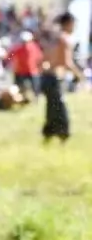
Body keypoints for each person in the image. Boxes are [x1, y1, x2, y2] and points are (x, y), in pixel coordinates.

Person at [40, 12, 78, 143]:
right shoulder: (65, 39)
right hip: (55, 76)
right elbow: (67, 62)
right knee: (60, 109)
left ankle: (48, 134)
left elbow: (44, 57)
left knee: (51, 108)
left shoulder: (54, 38)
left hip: (46, 76)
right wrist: (79, 75)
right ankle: (63, 136)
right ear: (68, 24)